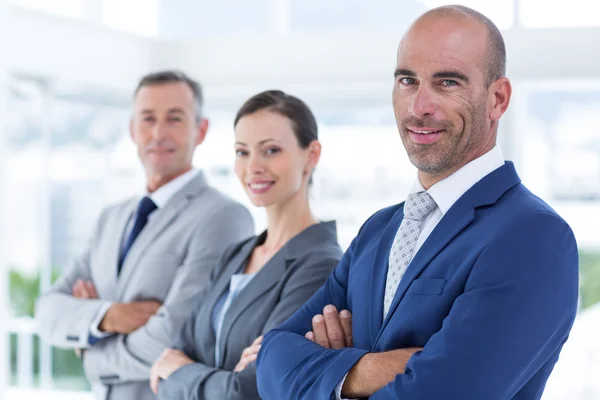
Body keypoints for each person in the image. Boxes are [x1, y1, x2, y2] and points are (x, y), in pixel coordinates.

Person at [256, 6, 579, 400]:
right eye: (408, 80)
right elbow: (271, 360)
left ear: (497, 99)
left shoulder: (533, 236)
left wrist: (326, 375)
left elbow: (444, 393)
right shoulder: (379, 229)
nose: (418, 107)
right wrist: (367, 369)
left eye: (447, 82)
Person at [35, 70, 255, 400]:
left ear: (201, 129)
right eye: (148, 118)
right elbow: (48, 310)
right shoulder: (111, 218)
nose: (158, 133)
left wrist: (90, 352)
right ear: (132, 129)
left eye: (175, 119)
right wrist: (107, 316)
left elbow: (174, 336)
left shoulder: (224, 217)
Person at [149, 90, 342, 400]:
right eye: (242, 152)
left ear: (312, 154)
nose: (253, 166)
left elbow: (249, 391)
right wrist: (221, 378)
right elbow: (169, 358)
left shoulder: (322, 265)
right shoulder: (236, 255)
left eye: (271, 150)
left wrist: (181, 371)